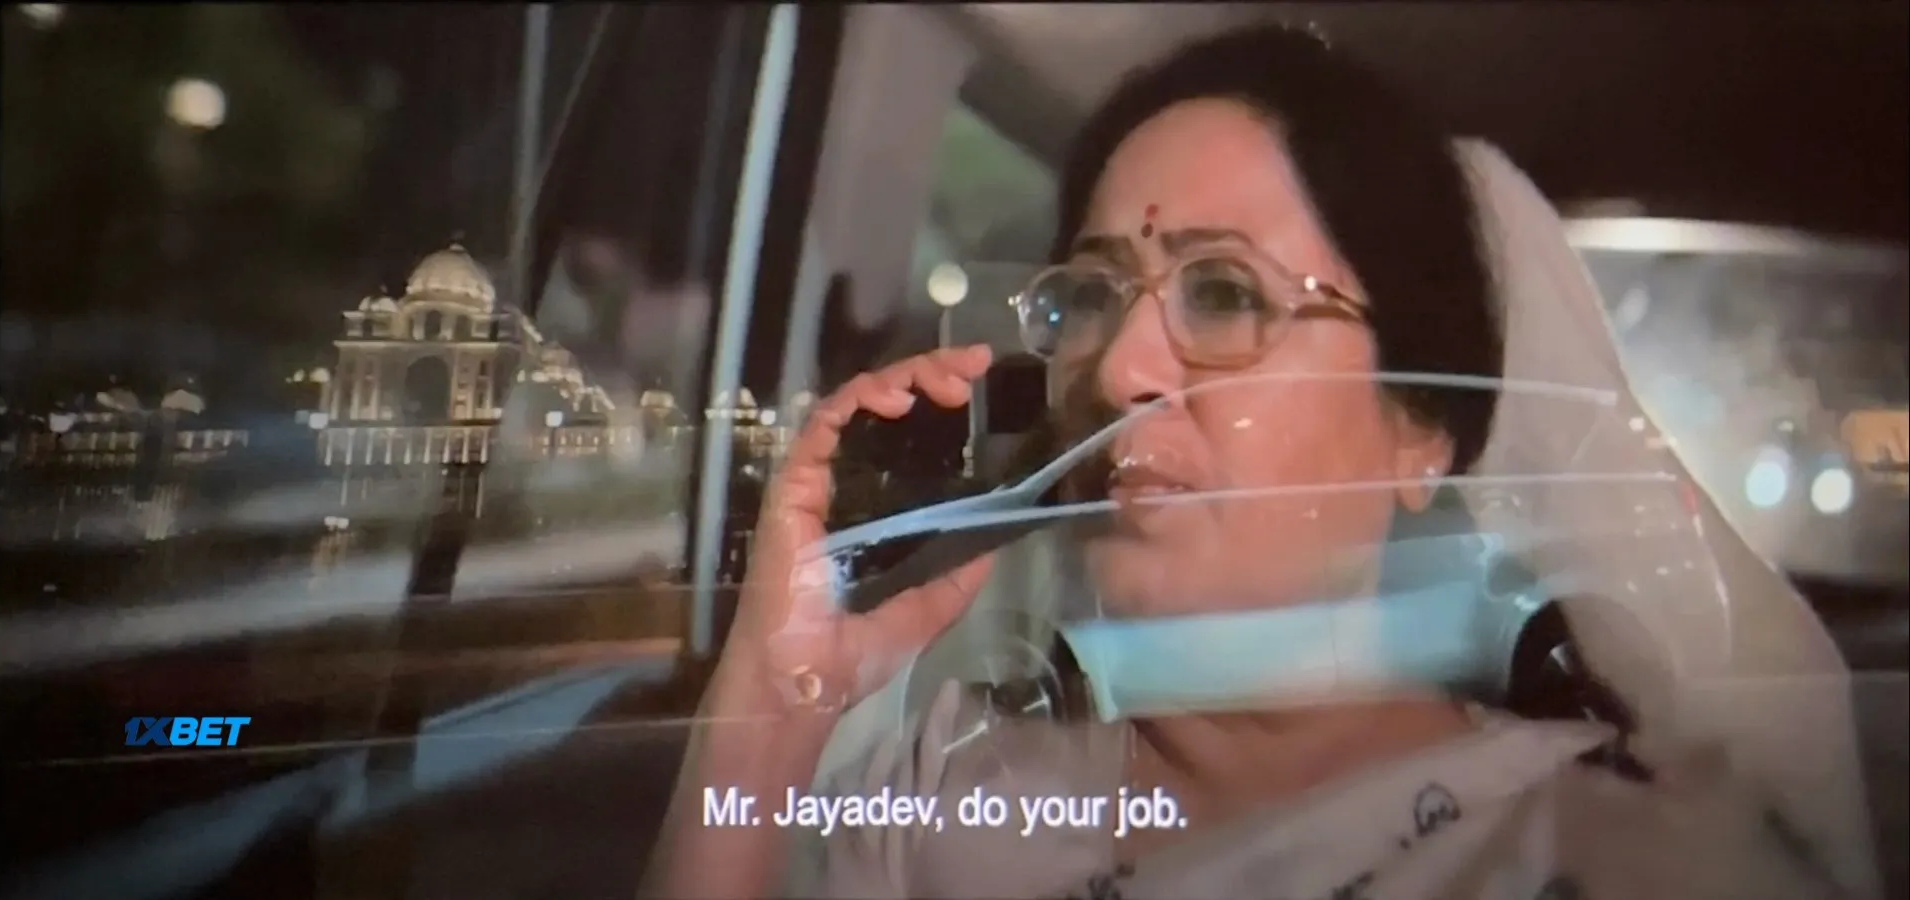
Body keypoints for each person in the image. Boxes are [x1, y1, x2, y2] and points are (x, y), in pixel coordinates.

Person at [645, 26, 1878, 900]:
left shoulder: (1608, 844)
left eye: (1226, 293)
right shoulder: (952, 796)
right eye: (1091, 298)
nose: (1121, 370)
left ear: (1421, 429)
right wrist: (772, 706)